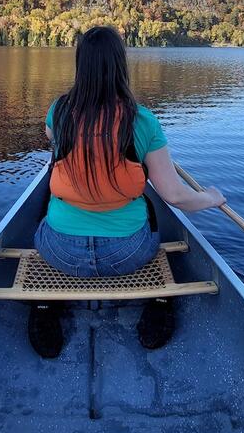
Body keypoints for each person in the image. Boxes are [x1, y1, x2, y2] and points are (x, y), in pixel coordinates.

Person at [30, 26, 225, 358]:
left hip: (59, 252)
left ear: (81, 65)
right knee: (150, 208)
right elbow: (175, 197)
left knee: (48, 200)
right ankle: (161, 299)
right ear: (121, 66)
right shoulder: (143, 121)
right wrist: (211, 197)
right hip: (127, 255)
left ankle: (44, 305)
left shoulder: (58, 111)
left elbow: (50, 135)